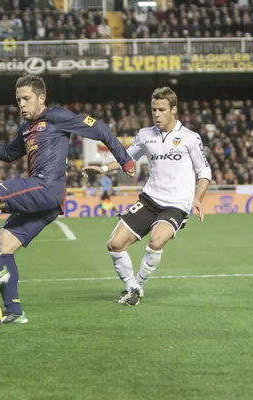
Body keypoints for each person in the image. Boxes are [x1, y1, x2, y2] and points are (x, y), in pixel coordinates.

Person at [0, 74, 136, 324]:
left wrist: (125, 159)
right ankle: (14, 311)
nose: (21, 104)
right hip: (47, 202)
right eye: (18, 100)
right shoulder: (26, 128)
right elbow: (8, 154)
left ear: (41, 98)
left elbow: (100, 129)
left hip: (46, 188)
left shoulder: (57, 117)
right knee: (3, 245)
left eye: (26, 99)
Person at [83, 87, 211, 306]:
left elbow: (204, 171)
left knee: (156, 240)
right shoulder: (145, 135)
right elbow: (126, 159)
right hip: (150, 199)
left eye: (162, 110)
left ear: (173, 110)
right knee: (115, 244)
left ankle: (137, 287)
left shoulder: (190, 138)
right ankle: (132, 288)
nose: (157, 114)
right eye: (154, 110)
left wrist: (198, 197)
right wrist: (103, 169)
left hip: (176, 205)